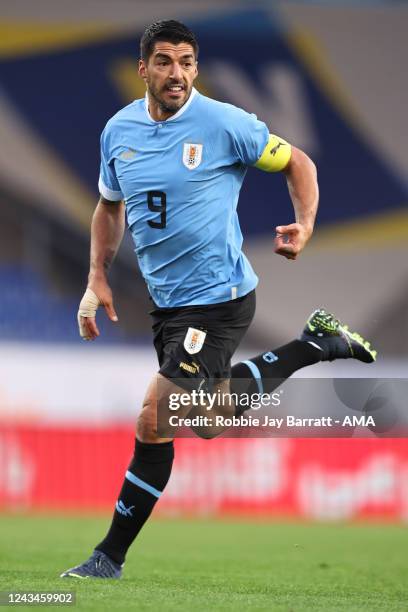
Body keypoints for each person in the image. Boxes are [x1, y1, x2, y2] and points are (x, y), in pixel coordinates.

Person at [61, 20, 376, 579]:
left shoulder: (225, 123)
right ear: (144, 69)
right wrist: (97, 275)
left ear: (196, 68)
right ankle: (316, 344)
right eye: (164, 61)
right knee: (204, 420)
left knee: (155, 419)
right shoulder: (119, 131)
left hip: (219, 299)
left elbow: (299, 162)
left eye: (185, 61)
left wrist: (304, 224)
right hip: (170, 307)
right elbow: (110, 206)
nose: (176, 73)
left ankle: (107, 557)